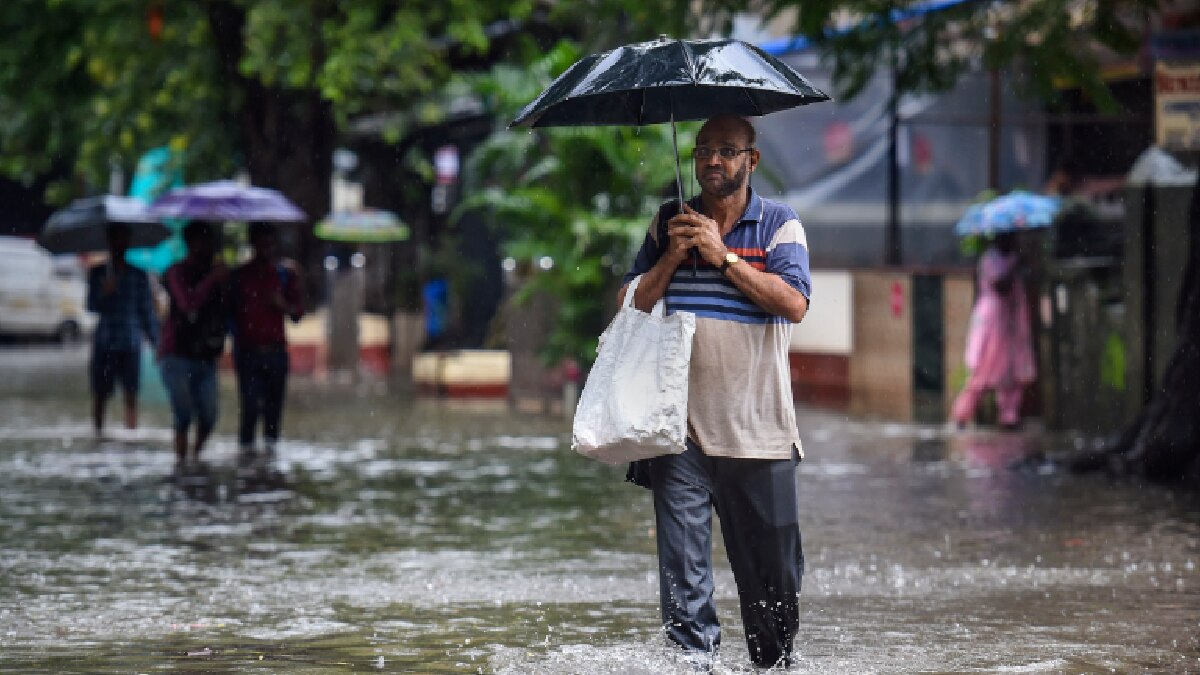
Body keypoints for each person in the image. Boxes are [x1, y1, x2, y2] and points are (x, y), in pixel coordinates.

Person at [618, 114, 812, 670]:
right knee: (684, 584)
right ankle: (694, 664)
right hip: (678, 433)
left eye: (727, 151)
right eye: (704, 149)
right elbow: (629, 306)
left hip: (759, 433)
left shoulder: (779, 224)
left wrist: (722, 255)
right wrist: (673, 257)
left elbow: (794, 303)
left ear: (752, 160)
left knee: (773, 592)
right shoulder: (668, 222)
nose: (712, 161)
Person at [229, 222, 304, 465]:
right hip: (247, 353)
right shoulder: (239, 276)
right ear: (253, 244)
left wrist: (282, 304)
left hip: (276, 353)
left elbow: (298, 314)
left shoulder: (285, 274)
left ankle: (269, 465)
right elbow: (228, 312)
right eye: (260, 243)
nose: (265, 248)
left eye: (269, 243)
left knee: (273, 413)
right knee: (249, 408)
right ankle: (247, 462)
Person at [158, 222, 228, 469]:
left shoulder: (218, 274)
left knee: (209, 415)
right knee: (183, 413)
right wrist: (211, 280)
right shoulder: (177, 272)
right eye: (201, 241)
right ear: (190, 243)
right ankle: (181, 464)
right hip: (177, 354)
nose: (206, 246)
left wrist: (222, 282)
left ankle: (195, 459)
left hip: (206, 356)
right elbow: (188, 303)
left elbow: (226, 310)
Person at [950, 232, 1036, 429]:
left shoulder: (1014, 258)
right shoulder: (990, 259)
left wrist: (1024, 263)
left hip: (1012, 323)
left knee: (1011, 374)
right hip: (993, 322)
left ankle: (1009, 417)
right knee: (982, 372)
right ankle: (961, 414)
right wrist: (1014, 266)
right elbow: (1000, 286)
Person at [86, 223, 160, 437]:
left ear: (128, 242)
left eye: (123, 238)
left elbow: (146, 312)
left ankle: (131, 437)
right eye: (115, 238)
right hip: (105, 342)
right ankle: (98, 435)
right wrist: (104, 292)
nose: (119, 243)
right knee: (100, 394)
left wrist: (157, 344)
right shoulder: (98, 273)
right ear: (109, 242)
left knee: (131, 395)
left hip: (130, 343)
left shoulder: (138, 275)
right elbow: (90, 306)